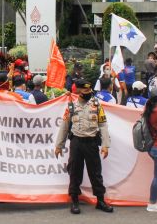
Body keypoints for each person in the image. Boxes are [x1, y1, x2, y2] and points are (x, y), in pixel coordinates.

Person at [54, 79, 113, 215]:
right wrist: (59, 145)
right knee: (74, 172)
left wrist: (105, 145)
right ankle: (74, 201)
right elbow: (64, 127)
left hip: (92, 143)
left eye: (89, 90)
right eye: (85, 90)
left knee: (96, 173)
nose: (88, 92)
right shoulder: (71, 107)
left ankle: (100, 201)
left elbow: (103, 125)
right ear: (79, 91)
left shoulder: (97, 105)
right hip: (76, 143)